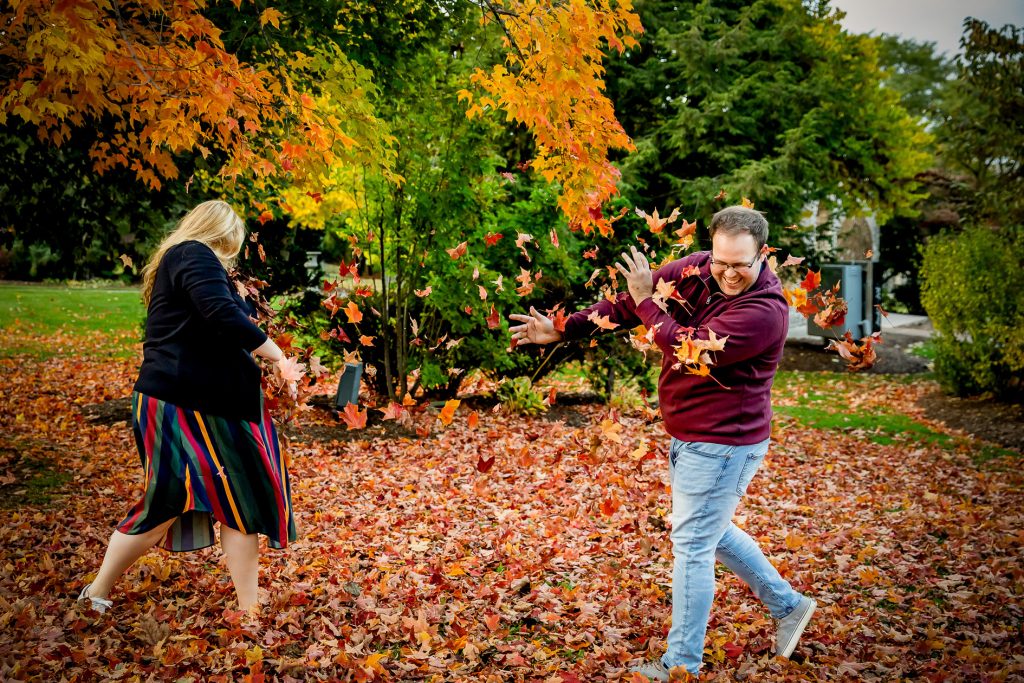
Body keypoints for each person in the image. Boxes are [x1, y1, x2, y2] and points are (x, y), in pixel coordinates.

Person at [509, 206, 815, 679]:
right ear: (711, 250)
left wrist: (645, 301)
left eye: (740, 264)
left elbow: (687, 346)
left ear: (762, 256)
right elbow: (627, 304)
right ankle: (789, 606)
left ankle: (681, 666)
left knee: (692, 544)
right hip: (691, 435)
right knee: (709, 532)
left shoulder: (764, 313)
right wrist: (565, 328)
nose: (728, 274)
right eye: (721, 262)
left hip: (723, 443)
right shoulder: (696, 270)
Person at [76, 200, 296, 614]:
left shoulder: (198, 265)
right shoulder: (191, 253)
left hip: (219, 409)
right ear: (222, 232)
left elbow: (221, 322)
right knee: (165, 502)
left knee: (240, 505)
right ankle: (96, 592)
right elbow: (221, 315)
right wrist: (277, 355)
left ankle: (249, 610)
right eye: (233, 239)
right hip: (175, 405)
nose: (234, 248)